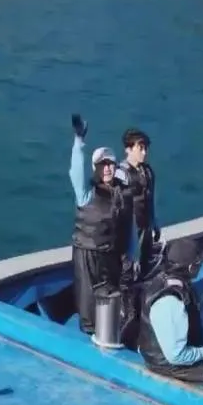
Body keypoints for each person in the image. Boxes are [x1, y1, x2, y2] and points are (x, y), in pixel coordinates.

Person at [68, 113, 135, 335]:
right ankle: (88, 336)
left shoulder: (122, 194)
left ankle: (109, 333)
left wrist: (131, 255)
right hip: (87, 255)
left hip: (111, 255)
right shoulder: (86, 194)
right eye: (102, 165)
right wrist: (79, 141)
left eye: (110, 164)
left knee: (112, 300)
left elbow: (129, 228)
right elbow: (76, 171)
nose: (107, 168)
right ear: (95, 168)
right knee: (88, 306)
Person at [136, 238, 203, 383]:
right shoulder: (170, 301)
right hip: (169, 366)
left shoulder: (165, 280)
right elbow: (177, 356)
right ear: (191, 268)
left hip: (177, 354)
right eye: (199, 263)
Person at [118, 128, 160, 279]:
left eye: (145, 148)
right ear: (128, 149)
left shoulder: (148, 172)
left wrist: (155, 223)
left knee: (145, 264)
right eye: (140, 148)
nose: (144, 152)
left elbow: (151, 198)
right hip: (130, 231)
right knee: (130, 268)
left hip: (145, 227)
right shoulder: (121, 174)